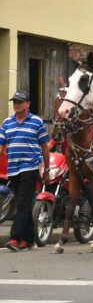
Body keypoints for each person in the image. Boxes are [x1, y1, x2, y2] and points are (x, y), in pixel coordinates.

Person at [1, 91, 50, 251]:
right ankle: (29, 239)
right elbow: (1, 146)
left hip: (30, 167)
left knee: (22, 203)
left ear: (28, 104)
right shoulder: (7, 123)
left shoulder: (36, 122)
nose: (17, 105)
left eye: (20, 102)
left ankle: (14, 238)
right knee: (24, 204)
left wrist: (46, 169)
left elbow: (45, 147)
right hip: (13, 169)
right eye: (15, 102)